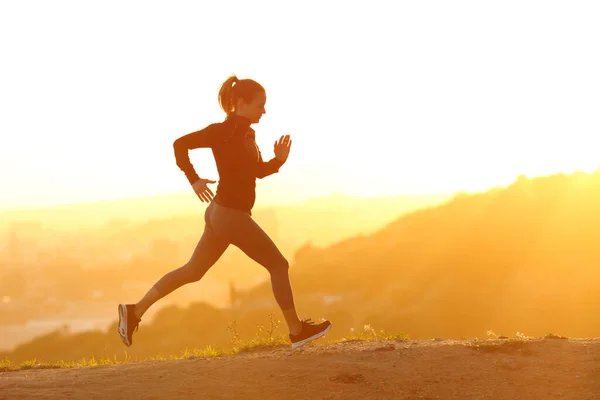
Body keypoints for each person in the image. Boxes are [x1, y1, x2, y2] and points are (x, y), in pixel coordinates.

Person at [118, 75, 332, 350]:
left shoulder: (247, 134)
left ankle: (134, 311)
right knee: (278, 265)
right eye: (259, 105)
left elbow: (253, 172)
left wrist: (277, 161)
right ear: (240, 103)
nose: (264, 111)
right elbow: (179, 144)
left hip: (222, 214)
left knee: (192, 271)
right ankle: (296, 331)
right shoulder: (224, 130)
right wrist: (193, 179)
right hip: (230, 215)